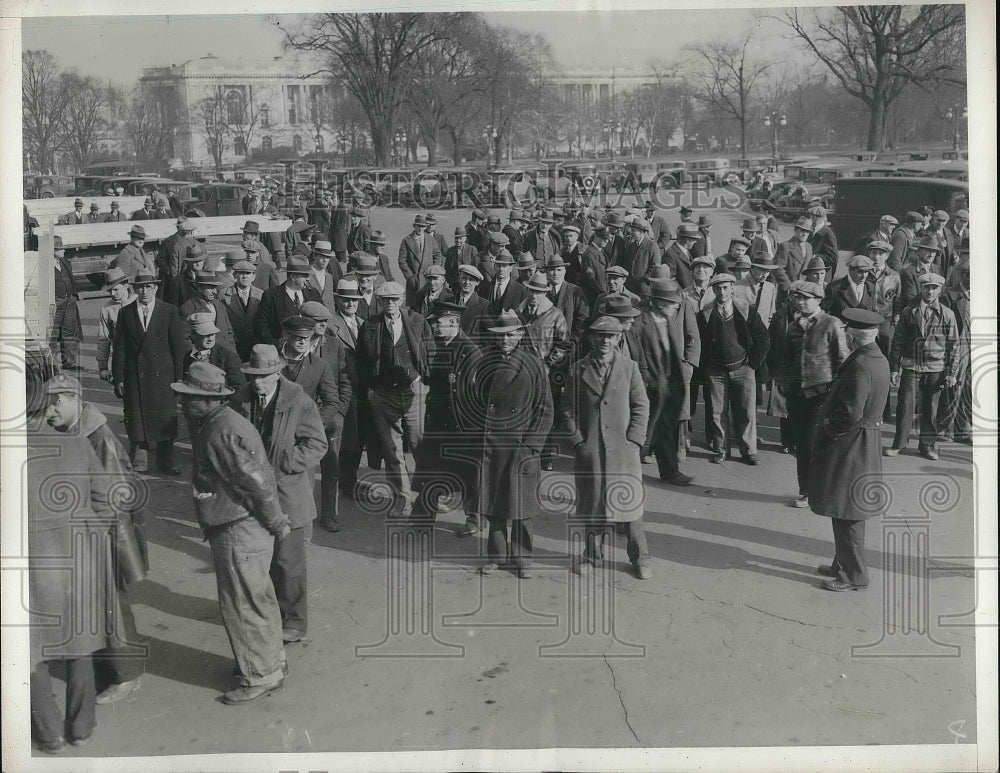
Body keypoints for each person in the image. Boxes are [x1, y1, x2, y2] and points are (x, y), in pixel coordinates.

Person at [171, 362, 291, 703]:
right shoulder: (227, 422)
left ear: (210, 400)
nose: (183, 403)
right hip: (247, 526)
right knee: (258, 597)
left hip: (238, 527)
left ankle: (260, 676)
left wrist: (276, 522)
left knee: (242, 602)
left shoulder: (219, 431)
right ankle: (272, 662)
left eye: (189, 397)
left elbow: (255, 485)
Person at [43, 375, 149, 705]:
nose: (49, 412)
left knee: (111, 605)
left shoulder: (99, 438)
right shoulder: (73, 432)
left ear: (75, 399)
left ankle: (127, 674)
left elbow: (115, 497)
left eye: (55, 404)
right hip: (82, 534)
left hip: (101, 536)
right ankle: (106, 667)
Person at [27, 415, 111, 752]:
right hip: (76, 557)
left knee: (30, 649)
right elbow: (105, 500)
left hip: (25, 565)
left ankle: (49, 732)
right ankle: (82, 725)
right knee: (79, 642)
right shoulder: (76, 442)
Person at [237, 345, 327, 643]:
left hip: (288, 492)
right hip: (253, 492)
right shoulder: (241, 399)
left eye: (263, 376)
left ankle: (295, 621)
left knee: (288, 562)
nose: (257, 381)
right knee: (259, 559)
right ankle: (268, 612)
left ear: (277, 373)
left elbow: (317, 444)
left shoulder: (299, 401)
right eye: (253, 375)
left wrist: (285, 461)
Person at [562, 316, 652, 579]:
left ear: (618, 338)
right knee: (593, 505)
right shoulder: (577, 369)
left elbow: (641, 405)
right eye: (600, 335)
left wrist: (635, 440)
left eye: (610, 336)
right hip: (591, 450)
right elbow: (567, 408)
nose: (605, 341)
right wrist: (578, 440)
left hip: (624, 451)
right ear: (591, 338)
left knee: (630, 508)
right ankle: (592, 556)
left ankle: (641, 559)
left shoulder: (629, 368)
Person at [809, 308, 891, 592]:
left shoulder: (861, 364)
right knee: (846, 508)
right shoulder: (876, 358)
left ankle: (855, 575)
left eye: (846, 331)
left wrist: (828, 429)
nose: (844, 335)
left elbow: (849, 413)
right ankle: (841, 564)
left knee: (848, 511)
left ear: (853, 336)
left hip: (852, 443)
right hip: (863, 441)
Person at [469, 310, 554, 578]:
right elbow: (475, 402)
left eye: (511, 335)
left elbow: (546, 410)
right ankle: (496, 555)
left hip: (520, 446)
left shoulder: (534, 365)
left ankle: (523, 558)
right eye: (500, 335)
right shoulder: (485, 363)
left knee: (521, 506)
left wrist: (532, 446)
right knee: (493, 503)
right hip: (491, 445)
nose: (505, 340)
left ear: (520, 335)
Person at [355, 282, 434, 518]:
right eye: (385, 300)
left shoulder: (417, 320)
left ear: (402, 300)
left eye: (394, 299)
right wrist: (371, 388)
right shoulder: (370, 325)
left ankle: (429, 496)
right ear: (379, 301)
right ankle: (402, 499)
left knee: (420, 446)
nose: (390, 303)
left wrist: (425, 381)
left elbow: (431, 351)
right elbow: (361, 360)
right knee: (392, 450)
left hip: (414, 392)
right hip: (384, 395)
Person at [411, 301, 484, 535]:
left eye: (438, 323)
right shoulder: (445, 346)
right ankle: (422, 518)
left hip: (462, 427)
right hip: (440, 424)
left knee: (470, 474)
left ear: (453, 322)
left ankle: (475, 518)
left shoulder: (470, 351)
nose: (434, 327)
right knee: (432, 471)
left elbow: (474, 394)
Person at [775, 281, 849, 508]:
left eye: (805, 298)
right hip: (797, 395)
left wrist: (837, 394)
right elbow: (786, 358)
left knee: (812, 443)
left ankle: (818, 491)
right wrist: (785, 384)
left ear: (818, 300)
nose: (800, 302)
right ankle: (807, 490)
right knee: (801, 445)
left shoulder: (832, 324)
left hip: (821, 394)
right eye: (797, 297)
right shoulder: (793, 326)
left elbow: (842, 360)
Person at [112, 270, 186, 474]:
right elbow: (120, 348)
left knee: (164, 418)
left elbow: (178, 347)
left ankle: (165, 461)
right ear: (135, 289)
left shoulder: (168, 311)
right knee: (137, 418)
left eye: (148, 287)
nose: (144, 291)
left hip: (163, 375)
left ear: (155, 288)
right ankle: (140, 460)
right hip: (135, 376)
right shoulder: (125, 313)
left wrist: (179, 377)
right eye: (140, 287)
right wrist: (118, 378)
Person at [631, 279, 700, 486]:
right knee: (641, 432)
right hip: (649, 388)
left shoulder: (665, 320)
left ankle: (670, 471)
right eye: (673, 303)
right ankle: (626, 472)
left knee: (665, 430)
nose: (677, 306)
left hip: (669, 385)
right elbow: (635, 359)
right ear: (660, 303)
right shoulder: (639, 325)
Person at [696, 273, 769, 464]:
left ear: (732, 288)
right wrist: (707, 367)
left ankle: (748, 451)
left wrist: (752, 365)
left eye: (725, 287)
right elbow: (700, 342)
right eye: (718, 288)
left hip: (743, 368)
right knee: (718, 412)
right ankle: (721, 450)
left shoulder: (746, 310)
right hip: (716, 371)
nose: (722, 292)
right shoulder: (705, 314)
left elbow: (763, 339)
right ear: (713, 290)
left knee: (746, 411)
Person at [886, 273, 960, 461]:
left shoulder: (947, 314)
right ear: (921, 288)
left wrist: (952, 373)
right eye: (927, 287)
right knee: (905, 406)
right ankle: (899, 444)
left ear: (940, 290)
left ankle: (927, 446)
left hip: (935, 368)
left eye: (934, 288)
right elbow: (898, 341)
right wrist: (894, 368)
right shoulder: (908, 312)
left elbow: (954, 345)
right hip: (911, 366)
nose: (930, 291)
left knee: (931, 409)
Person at [938, 244, 971, 444]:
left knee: (968, 388)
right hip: (957, 346)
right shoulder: (949, 296)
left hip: (975, 345)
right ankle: (943, 428)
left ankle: (962, 430)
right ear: (963, 276)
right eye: (969, 275)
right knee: (952, 387)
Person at [252, 255, 321, 345]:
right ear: (293, 276)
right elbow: (261, 325)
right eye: (305, 275)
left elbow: (321, 319)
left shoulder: (313, 294)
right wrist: (276, 345)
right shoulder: (270, 295)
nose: (308, 278)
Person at [183, 312, 245, 393]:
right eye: (206, 334)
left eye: (212, 334)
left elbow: (240, 391)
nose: (210, 339)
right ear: (193, 335)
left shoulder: (229, 357)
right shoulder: (187, 357)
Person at [179, 271, 238, 354]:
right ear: (199, 288)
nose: (215, 292)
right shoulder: (188, 308)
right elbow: (184, 339)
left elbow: (229, 333)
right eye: (210, 288)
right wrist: (198, 355)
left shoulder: (220, 305)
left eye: (215, 288)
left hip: (224, 356)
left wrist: (233, 354)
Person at [96, 268, 136, 383]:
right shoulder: (107, 309)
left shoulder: (138, 302)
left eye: (116, 289)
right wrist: (103, 367)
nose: (113, 294)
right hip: (121, 360)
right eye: (110, 291)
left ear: (126, 286)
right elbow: (103, 338)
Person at [49, 235, 82, 374]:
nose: (63, 251)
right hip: (56, 303)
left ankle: (70, 362)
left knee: (69, 331)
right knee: (52, 333)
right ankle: (51, 366)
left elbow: (71, 279)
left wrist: (75, 293)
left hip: (69, 301)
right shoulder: (45, 265)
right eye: (60, 249)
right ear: (52, 251)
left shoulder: (65, 262)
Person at [398, 214, 443, 306]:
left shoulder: (430, 239)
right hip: (414, 281)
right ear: (414, 226)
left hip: (428, 280)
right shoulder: (406, 240)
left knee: (428, 304)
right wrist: (410, 277)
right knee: (414, 307)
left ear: (425, 227)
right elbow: (402, 261)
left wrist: (434, 271)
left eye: (422, 226)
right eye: (418, 226)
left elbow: (438, 255)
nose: (420, 229)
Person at [224, 259, 264, 361]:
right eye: (241, 273)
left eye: (248, 273)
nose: (244, 276)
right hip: (233, 344)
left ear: (253, 277)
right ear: (234, 275)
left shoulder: (261, 295)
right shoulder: (223, 294)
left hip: (255, 345)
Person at [823, 254, 878, 321]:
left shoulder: (870, 287)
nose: (863, 276)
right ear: (851, 271)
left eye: (866, 272)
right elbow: (823, 314)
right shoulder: (834, 288)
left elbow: (874, 312)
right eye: (859, 272)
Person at [772, 216, 815, 296]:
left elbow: (810, 269)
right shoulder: (785, 246)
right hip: (789, 291)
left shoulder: (809, 247)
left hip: (804, 291)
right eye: (802, 230)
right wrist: (789, 286)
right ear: (795, 230)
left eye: (807, 231)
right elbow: (778, 268)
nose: (804, 234)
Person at [899, 235, 946, 308]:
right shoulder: (909, 272)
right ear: (919, 251)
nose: (931, 254)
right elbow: (910, 299)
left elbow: (941, 293)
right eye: (928, 250)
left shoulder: (936, 269)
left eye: (934, 251)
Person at [478, 248, 528, 314]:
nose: (501, 269)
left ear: (510, 268)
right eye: (498, 266)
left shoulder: (521, 290)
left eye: (504, 266)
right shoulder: (485, 288)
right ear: (494, 267)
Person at [662, 222, 700, 289]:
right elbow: (670, 280)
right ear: (687, 240)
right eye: (694, 239)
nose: (696, 242)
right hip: (681, 293)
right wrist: (683, 292)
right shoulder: (670, 254)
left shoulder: (687, 251)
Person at [445, 226, 478, 294]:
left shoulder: (471, 249)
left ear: (465, 238)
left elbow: (476, 269)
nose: (458, 241)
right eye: (456, 238)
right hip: (454, 286)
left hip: (467, 284)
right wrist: (450, 282)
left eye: (460, 238)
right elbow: (447, 269)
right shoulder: (450, 251)